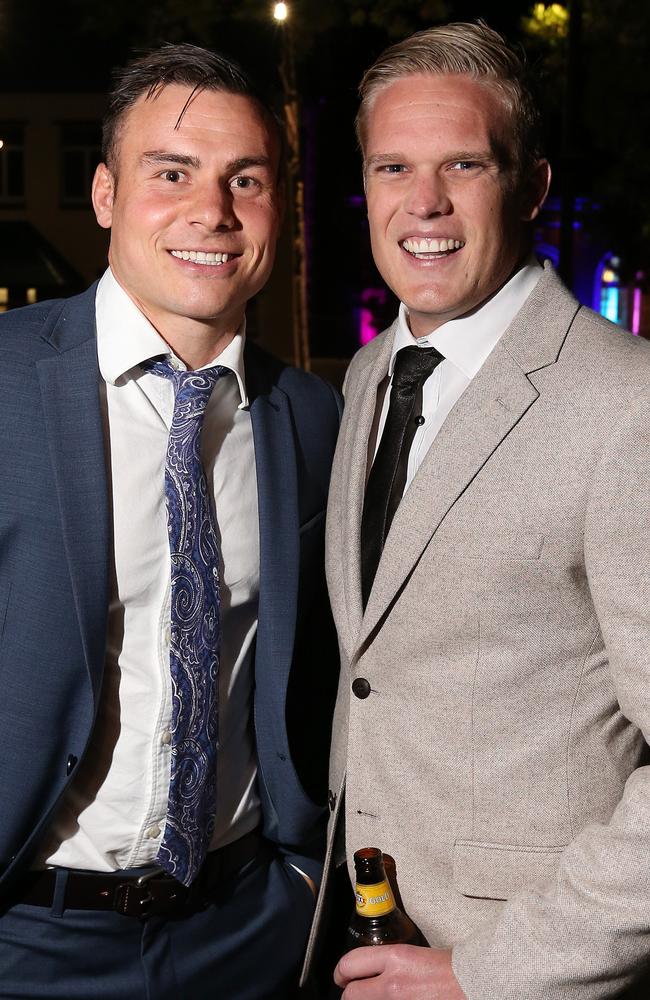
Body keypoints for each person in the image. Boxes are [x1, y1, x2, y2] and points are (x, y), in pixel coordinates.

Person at [315, 21, 650, 1000]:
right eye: (392, 167)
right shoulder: (370, 376)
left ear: (531, 185)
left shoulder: (624, 401)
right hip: (361, 937)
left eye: (462, 163)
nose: (422, 202)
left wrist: (493, 973)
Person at [0, 43, 341, 1000]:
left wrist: (301, 877)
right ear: (105, 193)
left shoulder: (312, 419)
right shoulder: (4, 379)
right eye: (172, 173)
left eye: (248, 179)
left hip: (244, 931)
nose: (212, 211)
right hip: (28, 936)